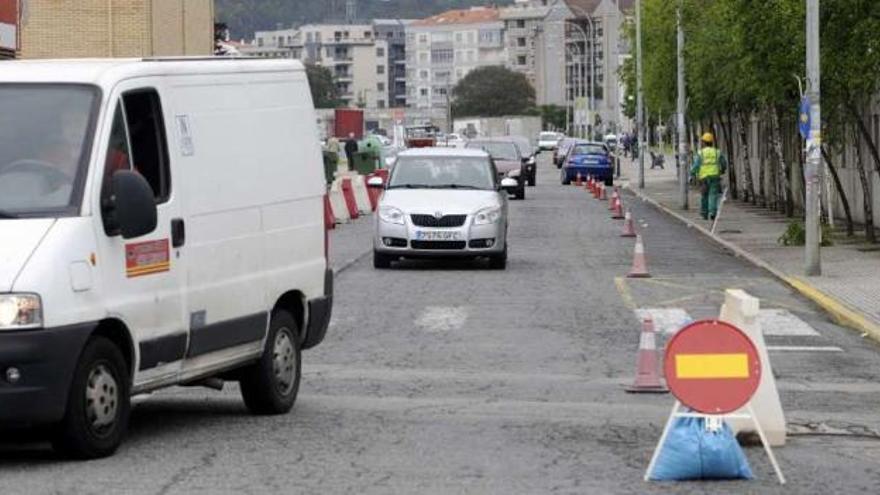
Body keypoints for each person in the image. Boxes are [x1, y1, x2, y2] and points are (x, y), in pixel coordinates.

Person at [690, 132, 728, 221]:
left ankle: (704, 214)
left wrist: (692, 173)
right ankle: (713, 213)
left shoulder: (701, 153)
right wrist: (722, 170)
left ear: (703, 142)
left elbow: (696, 165)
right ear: (712, 142)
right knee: (713, 195)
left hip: (704, 177)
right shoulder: (717, 152)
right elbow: (723, 163)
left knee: (704, 195)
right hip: (715, 176)